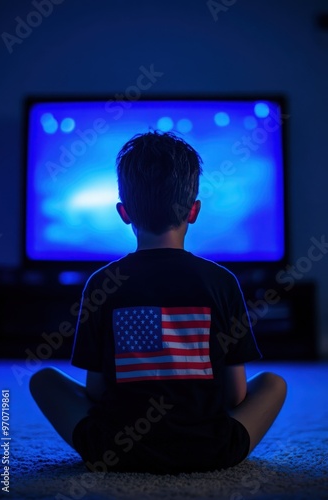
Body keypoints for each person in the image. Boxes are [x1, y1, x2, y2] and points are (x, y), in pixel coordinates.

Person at [29, 131, 287, 474]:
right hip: (211, 450)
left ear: (123, 212)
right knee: (274, 384)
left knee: (43, 379)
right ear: (194, 211)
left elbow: (95, 392)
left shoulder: (102, 283)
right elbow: (236, 397)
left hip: (114, 451)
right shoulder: (222, 281)